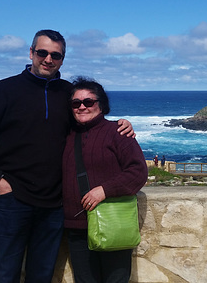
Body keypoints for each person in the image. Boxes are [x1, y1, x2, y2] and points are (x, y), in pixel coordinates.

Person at [0, 29, 135, 283]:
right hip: (13, 201)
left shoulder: (67, 94)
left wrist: (119, 125)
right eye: (42, 53)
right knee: (5, 274)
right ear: (31, 53)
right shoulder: (4, 91)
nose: (48, 59)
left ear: (63, 59)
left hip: (54, 204)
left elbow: (87, 122)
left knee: (41, 276)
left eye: (56, 55)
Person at [62, 77, 148, 283]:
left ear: (101, 105)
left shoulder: (117, 132)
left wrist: (105, 190)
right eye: (76, 103)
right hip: (77, 227)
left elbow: (138, 172)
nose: (82, 107)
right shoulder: (65, 135)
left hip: (112, 222)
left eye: (88, 102)